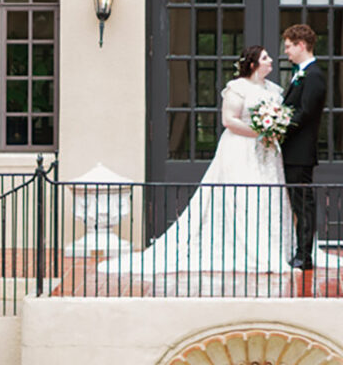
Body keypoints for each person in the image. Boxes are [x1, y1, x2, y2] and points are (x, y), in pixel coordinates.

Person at [92, 46, 296, 295]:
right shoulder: (237, 88)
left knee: (268, 197)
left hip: (266, 153)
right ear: (253, 64)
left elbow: (280, 117)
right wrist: (259, 131)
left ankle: (273, 249)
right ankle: (251, 250)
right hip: (241, 149)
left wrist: (273, 129)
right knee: (244, 197)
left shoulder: (273, 89)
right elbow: (229, 120)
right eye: (265, 58)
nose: (271, 60)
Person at [277, 24, 329, 273]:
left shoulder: (314, 75)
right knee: (299, 204)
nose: (286, 51)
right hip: (292, 152)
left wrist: (278, 127)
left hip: (300, 153)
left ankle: (304, 256)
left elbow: (306, 112)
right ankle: (300, 252)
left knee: (303, 205)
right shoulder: (302, 73)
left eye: (289, 46)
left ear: (301, 45)